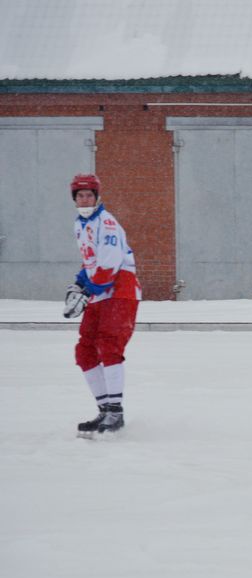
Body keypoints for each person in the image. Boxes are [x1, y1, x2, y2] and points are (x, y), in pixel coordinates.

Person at [62, 173, 142, 438]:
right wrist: (79, 283)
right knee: (85, 349)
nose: (85, 199)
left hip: (119, 290)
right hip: (99, 291)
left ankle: (115, 412)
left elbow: (109, 264)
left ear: (97, 197)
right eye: (80, 195)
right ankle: (103, 408)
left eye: (89, 195)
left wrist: (88, 291)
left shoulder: (106, 223)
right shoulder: (79, 225)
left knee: (109, 345)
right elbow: (91, 263)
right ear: (75, 199)